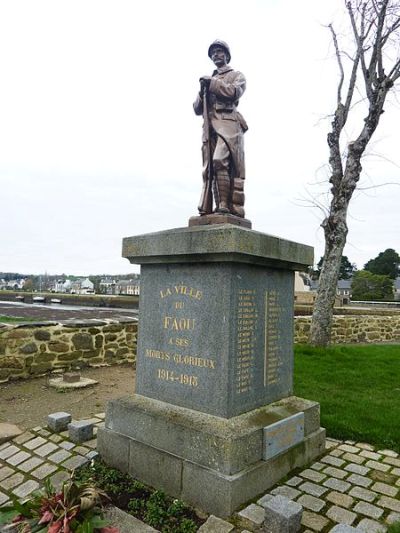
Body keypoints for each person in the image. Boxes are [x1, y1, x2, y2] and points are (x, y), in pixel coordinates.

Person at [193, 39, 248, 218]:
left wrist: (212, 84)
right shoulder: (208, 81)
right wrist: (202, 93)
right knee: (210, 170)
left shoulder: (236, 75)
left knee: (219, 161)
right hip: (209, 128)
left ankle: (225, 204)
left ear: (226, 55)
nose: (216, 55)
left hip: (228, 125)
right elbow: (196, 109)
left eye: (219, 51)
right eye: (213, 53)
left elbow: (233, 92)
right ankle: (217, 206)